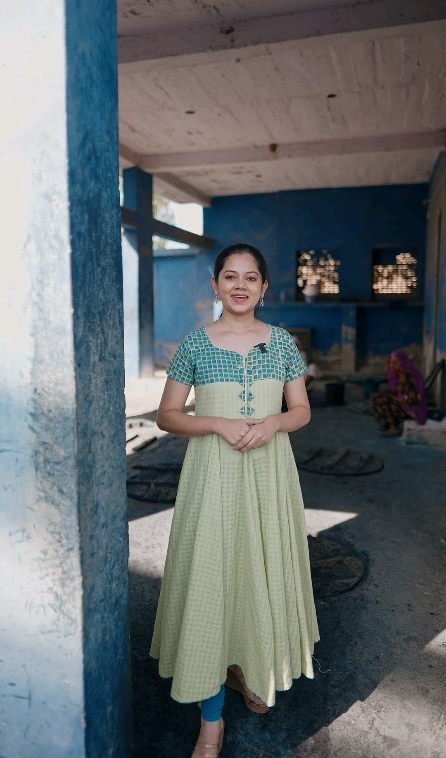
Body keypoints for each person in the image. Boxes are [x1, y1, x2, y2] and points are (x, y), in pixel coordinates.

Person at [150, 243, 320, 757]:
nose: (240, 285)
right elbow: (168, 416)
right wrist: (219, 423)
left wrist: (273, 422)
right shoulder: (196, 345)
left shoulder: (283, 343)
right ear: (216, 286)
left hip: (270, 477)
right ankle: (210, 721)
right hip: (213, 477)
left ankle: (252, 671)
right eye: (230, 276)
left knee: (258, 574)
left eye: (251, 277)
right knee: (213, 579)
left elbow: (302, 411)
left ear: (265, 288)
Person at [371, 349, 427, 436]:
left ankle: (393, 428)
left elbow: (414, 399)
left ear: (401, 363)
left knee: (384, 400)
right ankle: (388, 422)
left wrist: (399, 399)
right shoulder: (398, 374)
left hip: (411, 411)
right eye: (391, 362)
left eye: (395, 362)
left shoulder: (408, 376)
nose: (391, 365)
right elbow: (395, 391)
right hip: (403, 405)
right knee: (377, 397)